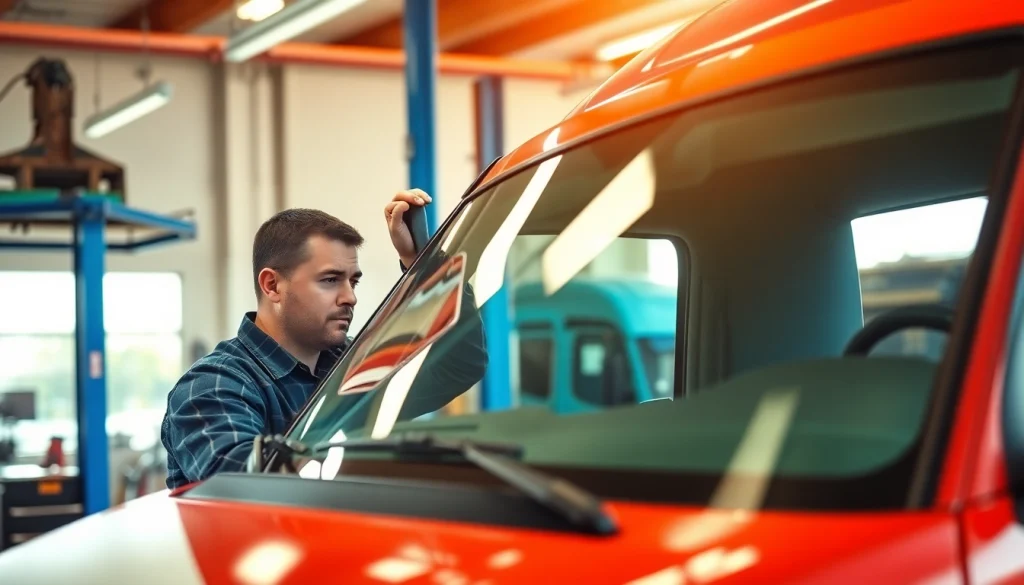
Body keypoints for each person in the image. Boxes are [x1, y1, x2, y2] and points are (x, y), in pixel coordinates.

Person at [161, 189, 456, 488]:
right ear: (272, 285)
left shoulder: (348, 363)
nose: (350, 297)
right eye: (330, 280)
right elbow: (242, 486)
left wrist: (423, 262)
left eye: (353, 281)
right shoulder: (215, 385)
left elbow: (452, 369)